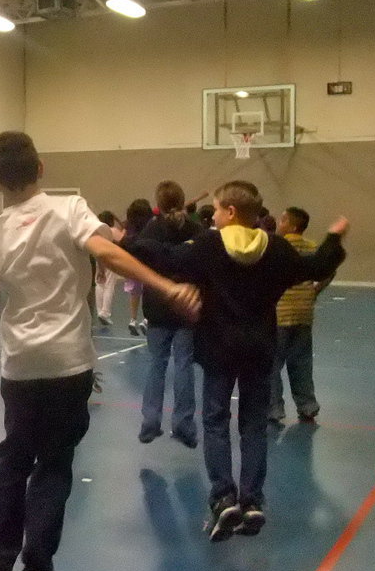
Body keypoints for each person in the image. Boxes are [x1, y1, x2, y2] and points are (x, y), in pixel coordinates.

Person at [0, 132, 200, 571]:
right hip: (68, 363)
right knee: (53, 464)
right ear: (40, 168)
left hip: (20, 366)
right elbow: (109, 255)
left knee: (13, 458)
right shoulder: (70, 209)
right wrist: (165, 284)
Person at [130, 181, 347, 542]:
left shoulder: (209, 246)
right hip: (260, 349)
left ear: (230, 212)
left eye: (216, 209)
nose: (213, 215)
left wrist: (127, 239)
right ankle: (252, 499)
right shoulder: (276, 248)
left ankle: (223, 497)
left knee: (216, 422)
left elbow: (166, 257)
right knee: (253, 425)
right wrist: (334, 237)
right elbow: (317, 265)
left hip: (218, 350)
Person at [135, 182, 201, 447]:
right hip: (186, 304)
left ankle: (150, 421)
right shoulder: (195, 230)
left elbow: (140, 262)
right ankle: (183, 424)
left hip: (158, 304)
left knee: (157, 363)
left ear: (158, 204)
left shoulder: (151, 230)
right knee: (184, 364)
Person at [269, 207, 328, 426]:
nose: (279, 223)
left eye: (283, 220)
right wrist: (315, 289)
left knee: (272, 364)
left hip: (280, 315)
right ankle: (307, 407)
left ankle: (274, 409)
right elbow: (329, 268)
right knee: (301, 363)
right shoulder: (312, 247)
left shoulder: (276, 247)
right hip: (304, 314)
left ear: (293, 226)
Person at [122, 198, 154, 336]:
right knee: (149, 290)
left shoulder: (128, 226)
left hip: (132, 262)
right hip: (147, 263)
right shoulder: (151, 226)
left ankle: (133, 319)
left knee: (134, 292)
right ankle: (146, 319)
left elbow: (124, 243)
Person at [94, 210, 124, 326]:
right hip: (111, 259)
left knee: (100, 284)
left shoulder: (98, 232)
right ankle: (105, 312)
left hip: (99, 258)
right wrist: (116, 217)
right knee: (109, 285)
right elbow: (123, 229)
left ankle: (99, 311)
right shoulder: (113, 231)